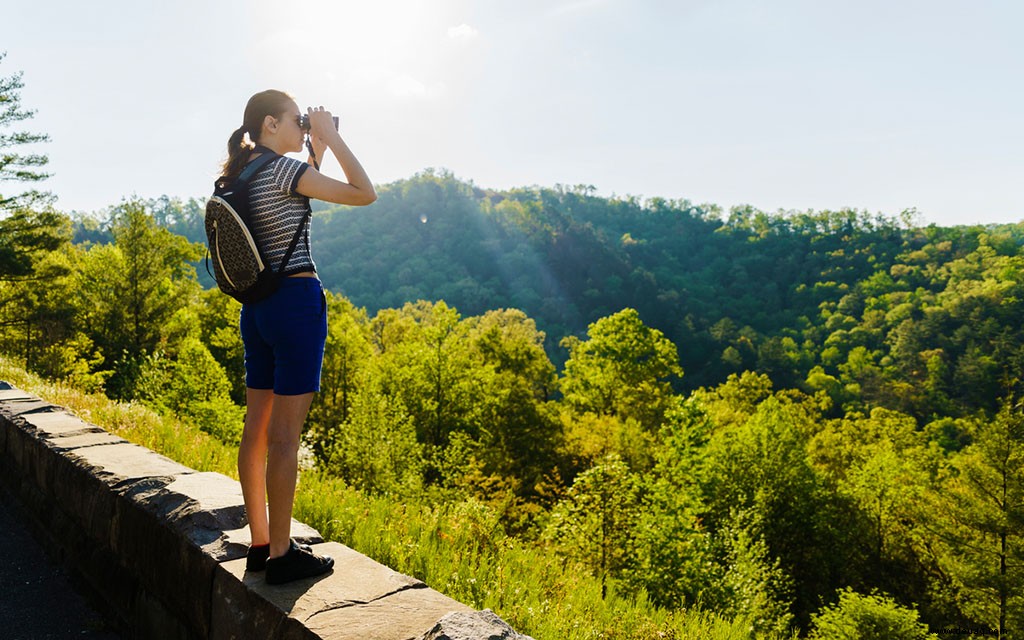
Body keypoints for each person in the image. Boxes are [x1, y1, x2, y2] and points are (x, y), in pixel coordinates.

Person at [221, 89, 376, 585]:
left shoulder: (241, 173)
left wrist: (315, 144)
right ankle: (285, 558)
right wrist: (332, 134)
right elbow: (363, 192)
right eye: (296, 121)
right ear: (270, 124)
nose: (303, 127)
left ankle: (262, 544)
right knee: (286, 438)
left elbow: (301, 179)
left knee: (256, 431)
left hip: (258, 310)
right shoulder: (284, 172)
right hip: (297, 305)